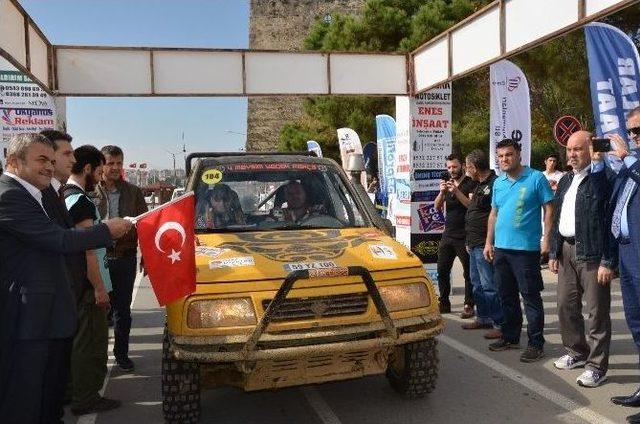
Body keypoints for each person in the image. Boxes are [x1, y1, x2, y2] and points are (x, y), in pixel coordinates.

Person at [0, 133, 131, 424]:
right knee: (25, 400)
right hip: (27, 321)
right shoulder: (8, 195)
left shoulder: (42, 192)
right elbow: (58, 240)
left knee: (49, 397)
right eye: (41, 160)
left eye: (50, 159)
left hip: (50, 314)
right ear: (13, 161)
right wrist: (106, 230)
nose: (49, 166)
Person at [548, 131, 614, 388]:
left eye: (577, 149)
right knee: (565, 305)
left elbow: (608, 217)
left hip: (593, 254)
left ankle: (597, 367)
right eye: (568, 150)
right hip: (566, 249)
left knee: (597, 312)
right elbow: (557, 218)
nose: (572, 155)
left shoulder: (603, 178)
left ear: (591, 149)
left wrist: (608, 261)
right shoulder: (566, 180)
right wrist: (554, 251)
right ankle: (576, 352)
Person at [484, 138, 554, 363]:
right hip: (501, 249)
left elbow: (549, 209)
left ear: (519, 154)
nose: (504, 159)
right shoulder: (499, 182)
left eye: (509, 155)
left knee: (530, 297)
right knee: (507, 296)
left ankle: (536, 343)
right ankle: (511, 336)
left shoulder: (536, 178)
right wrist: (488, 242)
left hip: (526, 251)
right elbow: (493, 214)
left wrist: (546, 239)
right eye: (501, 156)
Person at [65, 145, 121, 415]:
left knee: (79, 343)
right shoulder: (80, 202)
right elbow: (88, 251)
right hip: (89, 287)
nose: (100, 178)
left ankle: (75, 391)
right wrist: (100, 288)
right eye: (99, 172)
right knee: (91, 345)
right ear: (87, 169)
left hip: (77, 284)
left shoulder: (64, 196)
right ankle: (86, 398)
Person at [95, 145, 147, 372]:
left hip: (125, 259)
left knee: (122, 311)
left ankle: (122, 355)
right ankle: (96, 359)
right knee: (97, 311)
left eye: (119, 163)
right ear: (101, 165)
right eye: (110, 163)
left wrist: (146, 253)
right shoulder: (89, 191)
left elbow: (146, 225)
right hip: (97, 259)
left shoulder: (133, 192)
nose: (115, 168)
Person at [608, 107, 640, 423]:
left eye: (639, 132)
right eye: (631, 133)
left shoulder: (634, 164)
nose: (633, 139)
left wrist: (627, 159)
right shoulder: (630, 167)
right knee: (636, 326)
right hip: (628, 256)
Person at [462, 149, 503, 339]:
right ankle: (483, 317)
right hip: (473, 243)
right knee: (477, 284)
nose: (466, 170)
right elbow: (473, 209)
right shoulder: (477, 184)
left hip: (485, 243)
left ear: (474, 167)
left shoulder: (495, 184)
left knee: (489, 285)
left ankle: (499, 323)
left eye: (467, 166)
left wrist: (489, 242)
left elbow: (495, 214)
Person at [434, 153, 477, 316]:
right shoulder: (447, 184)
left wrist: (457, 191)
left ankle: (469, 304)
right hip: (448, 234)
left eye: (455, 167)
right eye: (449, 167)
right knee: (442, 270)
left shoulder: (470, 184)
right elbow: (437, 206)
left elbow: (471, 205)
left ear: (462, 167)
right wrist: (442, 192)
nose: (452, 170)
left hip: (465, 235)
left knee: (468, 272)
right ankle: (444, 302)